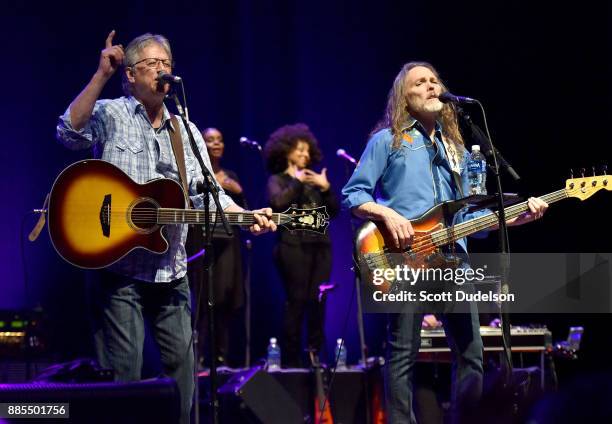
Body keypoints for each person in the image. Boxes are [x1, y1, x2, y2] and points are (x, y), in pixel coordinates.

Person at [56, 31, 276, 424]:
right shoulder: (111, 113)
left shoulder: (186, 131)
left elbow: (206, 193)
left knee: (183, 376)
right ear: (130, 75)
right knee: (124, 376)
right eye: (151, 64)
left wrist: (247, 217)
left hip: (170, 271)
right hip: (117, 268)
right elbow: (68, 133)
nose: (161, 71)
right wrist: (100, 75)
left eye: (166, 64)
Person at [341, 62, 548, 423]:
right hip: (404, 260)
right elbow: (353, 195)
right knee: (403, 352)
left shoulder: (458, 150)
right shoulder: (388, 140)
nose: (431, 86)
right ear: (404, 97)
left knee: (472, 353)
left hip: (454, 261)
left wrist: (514, 219)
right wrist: (388, 214)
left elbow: (469, 220)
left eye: (434, 80)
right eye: (420, 82)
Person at [264, 123, 340, 368]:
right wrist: (296, 183)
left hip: (320, 247)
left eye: (308, 152)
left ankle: (315, 358)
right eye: (300, 150)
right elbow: (277, 204)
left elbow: (334, 211)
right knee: (296, 301)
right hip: (292, 247)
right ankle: (291, 362)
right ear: (287, 152)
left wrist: (326, 188)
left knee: (318, 301)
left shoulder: (315, 182)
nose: (305, 156)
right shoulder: (278, 180)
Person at [187, 127, 248, 368]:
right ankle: (199, 358)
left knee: (224, 298)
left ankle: (221, 358)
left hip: (228, 242)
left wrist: (237, 189)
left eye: (220, 140)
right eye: (210, 140)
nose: (216, 144)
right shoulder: (195, 173)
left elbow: (241, 209)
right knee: (203, 297)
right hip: (201, 240)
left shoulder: (229, 175)